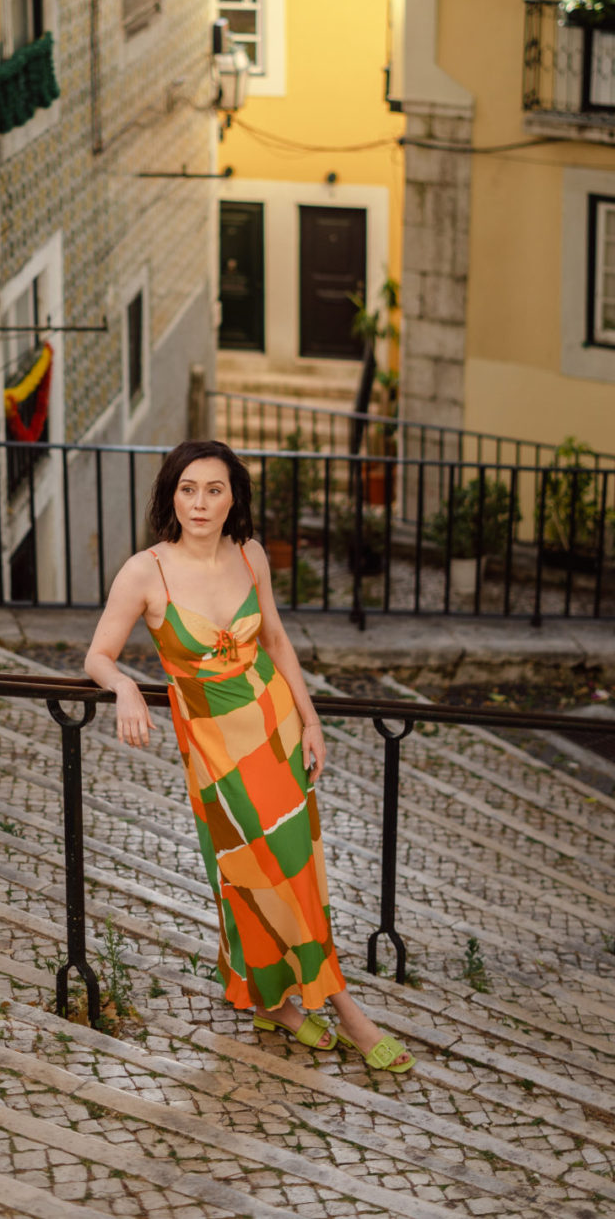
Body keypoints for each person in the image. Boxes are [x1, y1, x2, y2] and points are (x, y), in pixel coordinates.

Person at [85, 438, 415, 1072]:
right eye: (187, 489)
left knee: (299, 872)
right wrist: (125, 685)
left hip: (277, 730)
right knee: (249, 876)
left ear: (233, 495)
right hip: (213, 751)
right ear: (170, 496)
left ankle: (300, 1004)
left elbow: (279, 642)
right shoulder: (144, 571)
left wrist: (312, 722)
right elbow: (98, 655)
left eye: (214, 489)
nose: (200, 502)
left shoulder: (251, 555)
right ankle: (335, 1011)